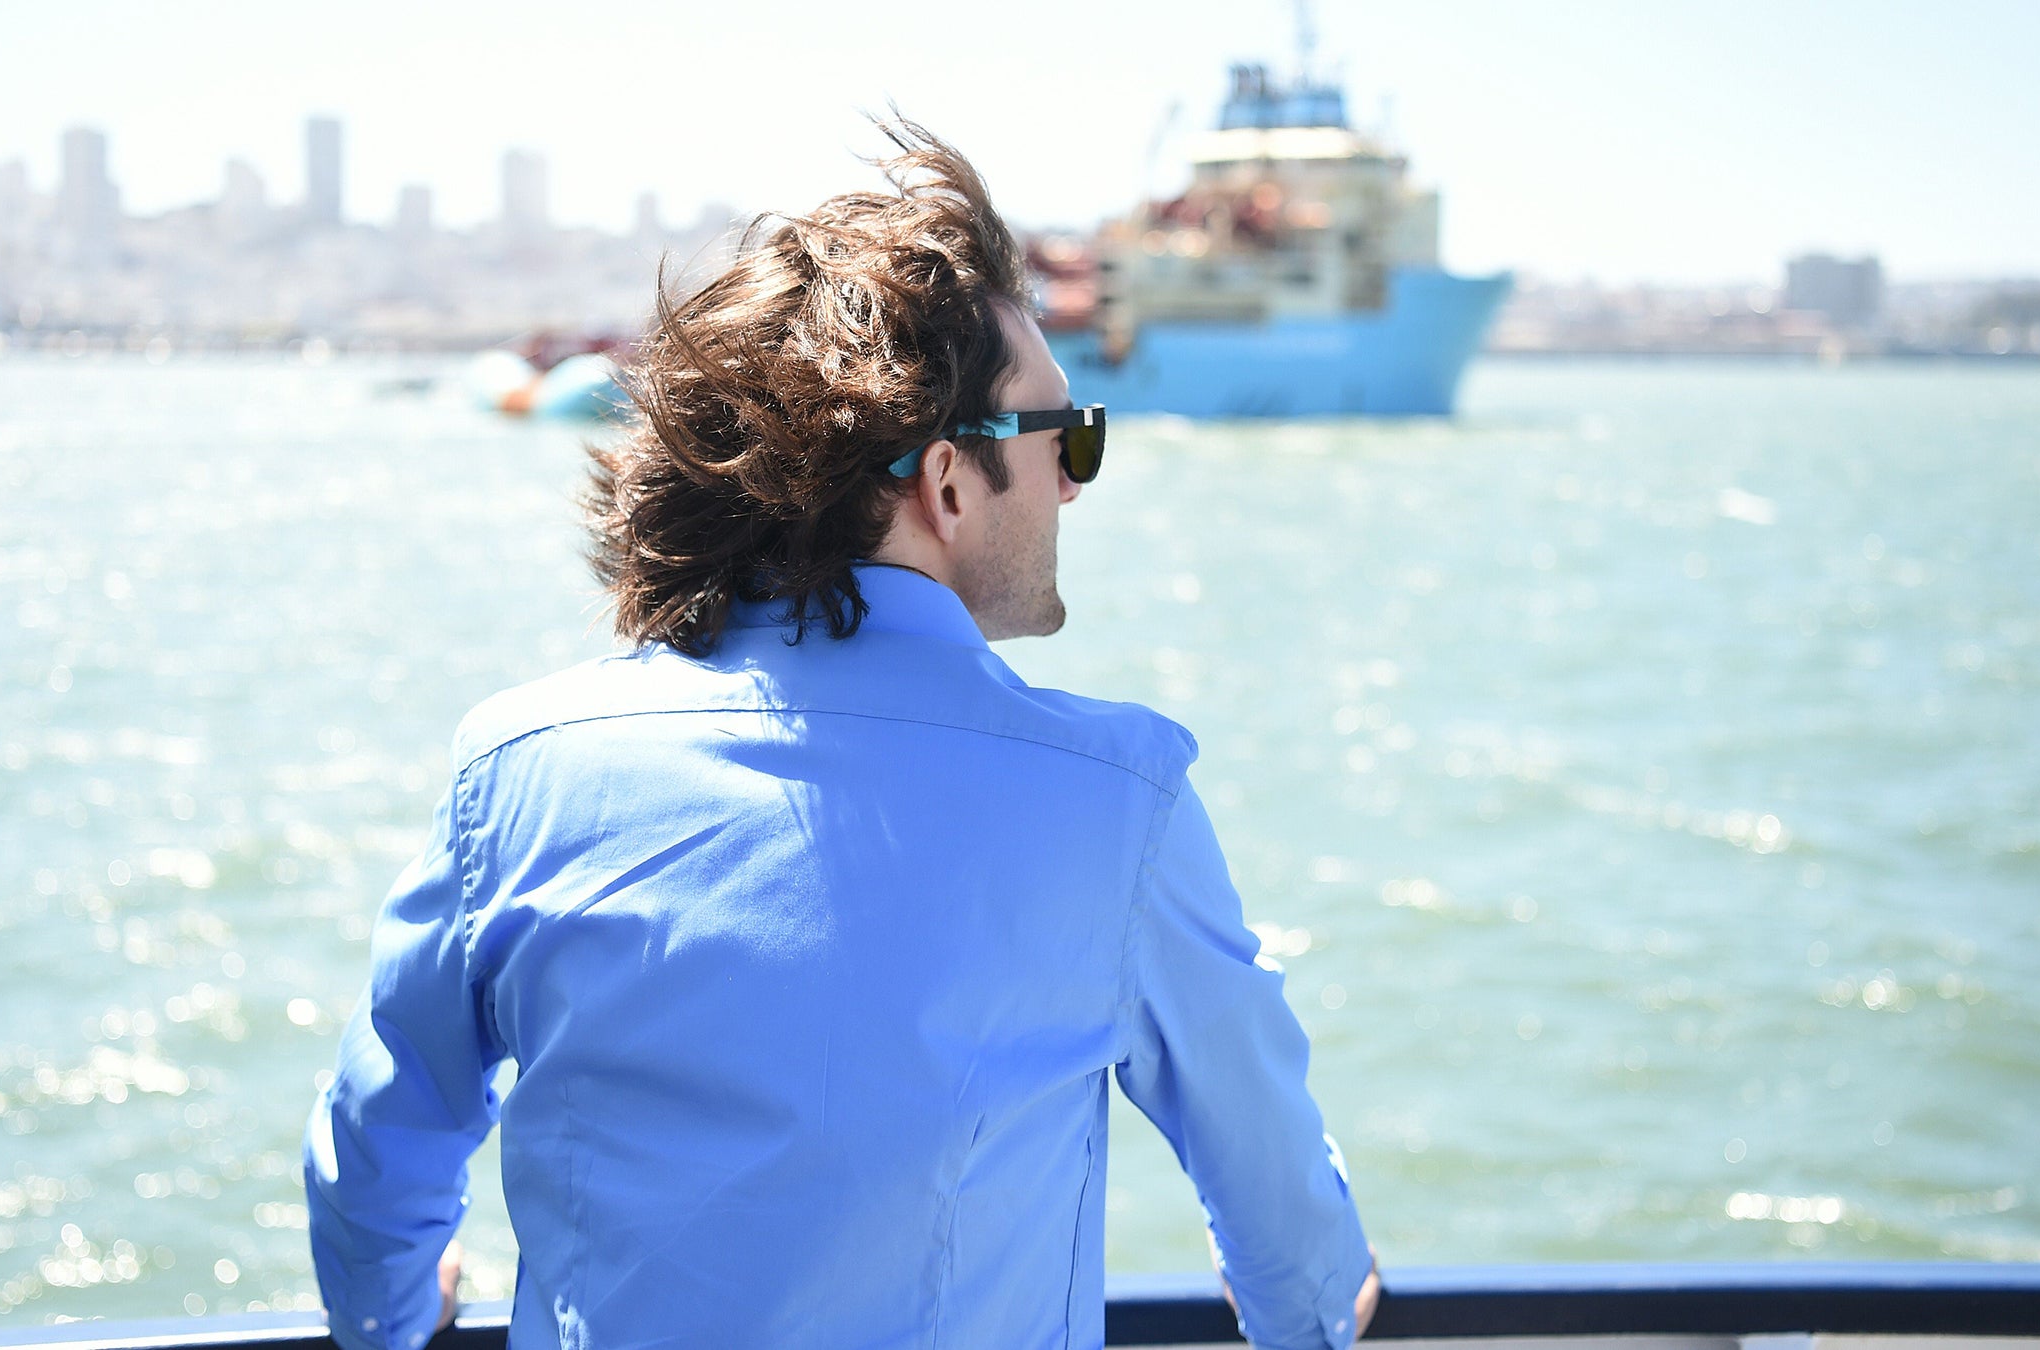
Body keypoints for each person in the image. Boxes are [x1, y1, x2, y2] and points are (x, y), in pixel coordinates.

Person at [303, 122, 1380, 1350]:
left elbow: (372, 1165)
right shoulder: (1116, 805)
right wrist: (1308, 1299)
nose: (1078, 480)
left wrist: (390, 1321)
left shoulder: (517, 771)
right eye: (1066, 435)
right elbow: (1295, 1250)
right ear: (948, 483)